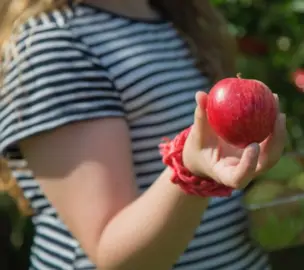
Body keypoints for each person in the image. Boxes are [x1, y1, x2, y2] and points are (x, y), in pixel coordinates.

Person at [0, 0, 288, 269]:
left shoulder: (167, 18)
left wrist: (277, 201)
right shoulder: (54, 46)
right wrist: (192, 173)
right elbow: (113, 255)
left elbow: (212, 163)